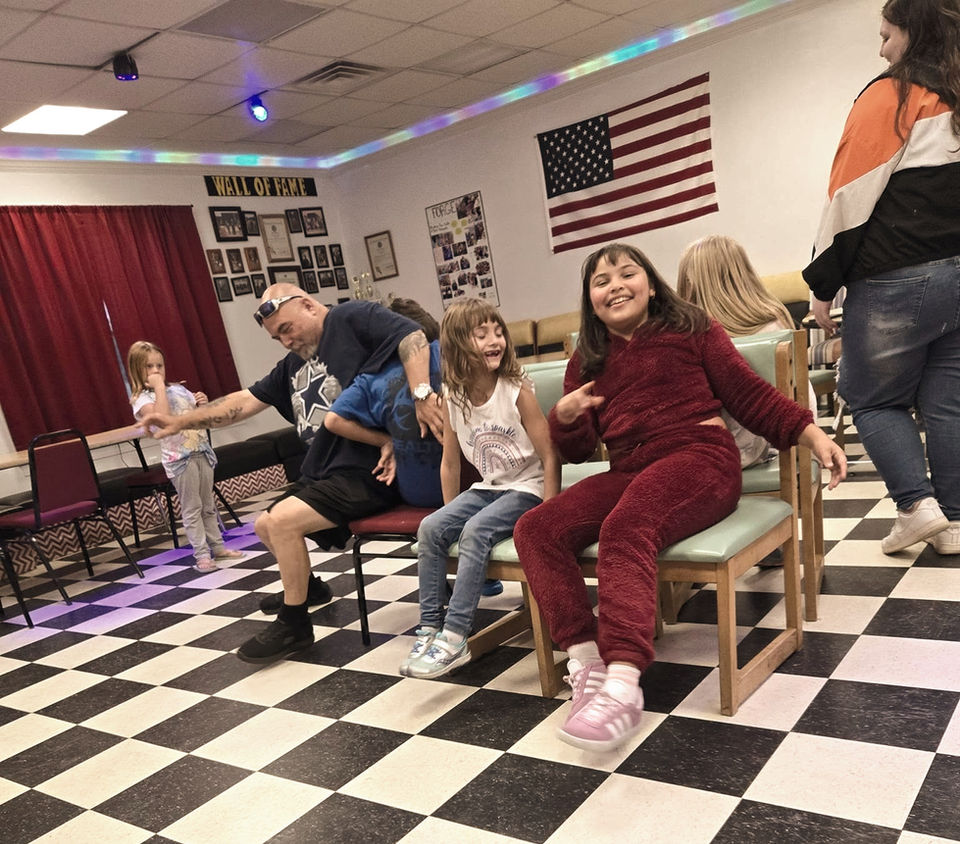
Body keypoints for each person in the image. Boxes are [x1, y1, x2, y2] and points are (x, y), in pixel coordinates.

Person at [513, 243, 846, 752]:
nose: (615, 286)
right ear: (590, 300)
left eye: (627, 274)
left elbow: (749, 395)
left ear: (650, 284)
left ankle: (623, 684)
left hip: (701, 457)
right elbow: (578, 451)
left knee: (626, 527)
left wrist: (811, 434)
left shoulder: (691, 326)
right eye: (601, 281)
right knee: (536, 528)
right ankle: (588, 663)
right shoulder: (588, 357)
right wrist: (566, 418)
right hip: (630, 467)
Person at [141, 284, 444, 664]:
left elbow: (413, 336)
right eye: (277, 337)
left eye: (287, 328)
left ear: (307, 306)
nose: (285, 341)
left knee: (283, 521)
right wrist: (180, 420)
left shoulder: (348, 319)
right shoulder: (293, 363)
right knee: (265, 525)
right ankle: (308, 588)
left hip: (369, 470)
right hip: (326, 470)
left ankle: (294, 624)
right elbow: (243, 402)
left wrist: (421, 395)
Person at [803, 0, 960, 556]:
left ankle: (916, 507)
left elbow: (850, 196)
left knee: (868, 397)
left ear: (912, 32)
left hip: (898, 275)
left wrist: (822, 286)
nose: (881, 49)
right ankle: (955, 522)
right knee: (948, 402)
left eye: (886, 35)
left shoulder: (892, 93)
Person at [399, 299, 560, 679]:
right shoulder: (452, 397)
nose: (495, 340)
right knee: (430, 528)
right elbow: (450, 463)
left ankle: (455, 635)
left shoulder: (515, 389)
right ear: (458, 344)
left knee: (475, 531)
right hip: (489, 487)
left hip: (527, 487)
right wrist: (447, 517)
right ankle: (429, 627)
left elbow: (549, 454)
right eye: (482, 334)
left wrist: (550, 510)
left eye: (498, 332)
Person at [677, 234, 810, 468]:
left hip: (723, 452)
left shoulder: (696, 334)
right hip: (784, 442)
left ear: (691, 282)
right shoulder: (775, 321)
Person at [126, 341, 244, 572]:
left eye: (159, 365)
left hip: (201, 450)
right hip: (180, 459)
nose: (156, 371)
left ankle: (218, 547)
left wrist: (201, 403)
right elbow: (162, 417)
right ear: (137, 369)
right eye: (149, 366)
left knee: (208, 505)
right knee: (192, 507)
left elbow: (195, 417)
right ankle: (202, 555)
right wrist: (158, 387)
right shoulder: (142, 399)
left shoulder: (178, 389)